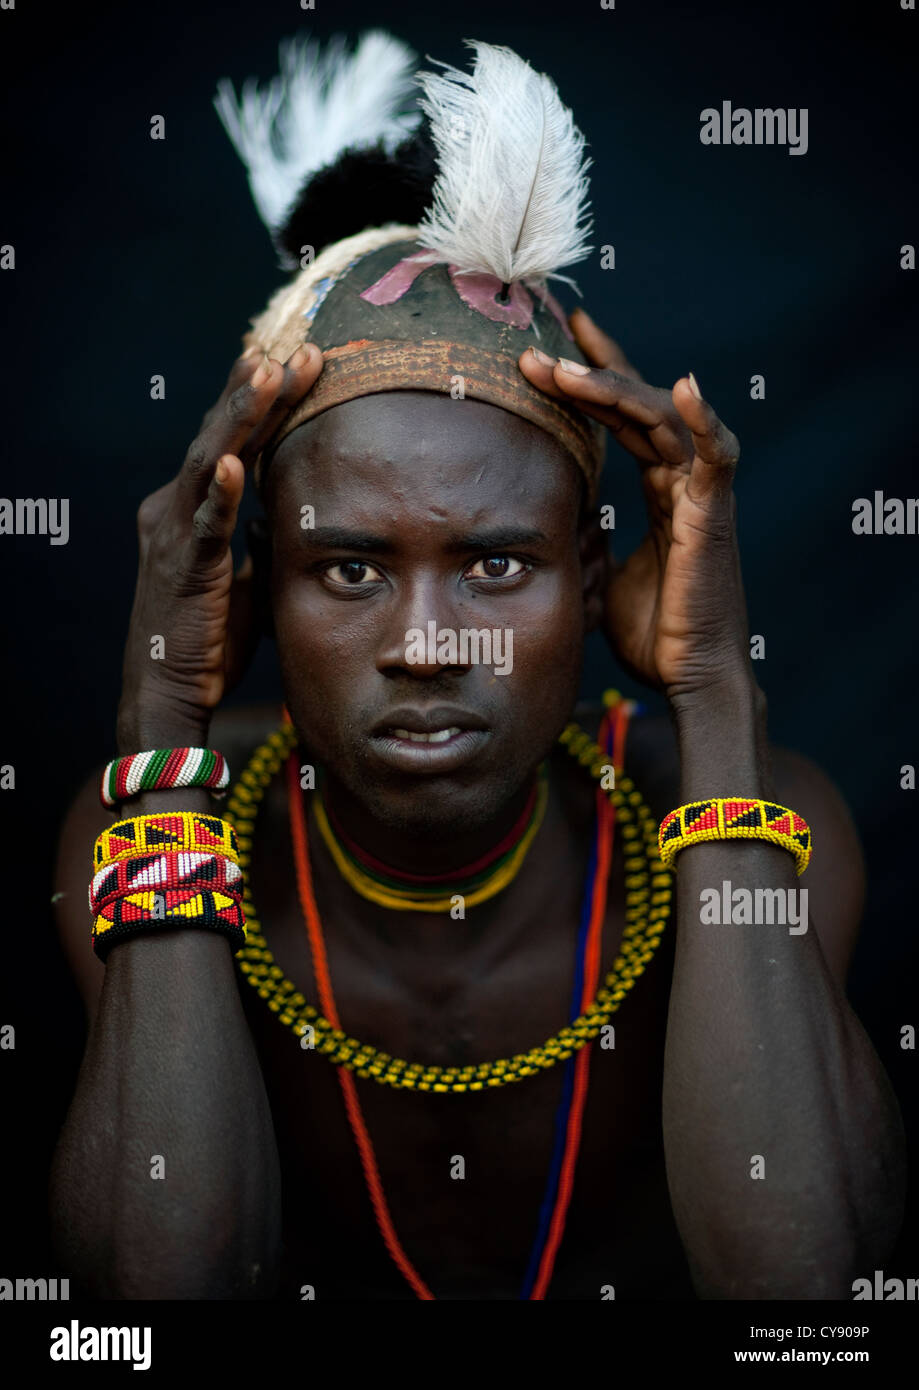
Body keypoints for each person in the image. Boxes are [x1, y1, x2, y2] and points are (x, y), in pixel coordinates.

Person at [49, 33, 904, 1301]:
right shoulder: (163, 820)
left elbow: (802, 1298)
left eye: (497, 564)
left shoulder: (758, 813)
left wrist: (717, 691)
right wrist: (159, 715)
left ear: (594, 567)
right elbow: (155, 1311)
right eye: (347, 569)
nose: (426, 642)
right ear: (255, 574)